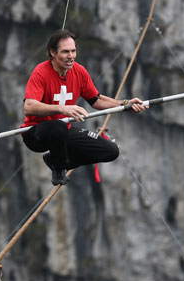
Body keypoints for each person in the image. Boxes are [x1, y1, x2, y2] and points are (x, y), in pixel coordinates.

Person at [21, 29, 148, 186]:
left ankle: (56, 161)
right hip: (36, 134)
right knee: (58, 126)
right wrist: (62, 108)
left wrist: (125, 104)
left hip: (62, 133)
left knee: (111, 151)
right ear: (52, 52)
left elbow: (97, 100)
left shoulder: (79, 71)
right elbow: (29, 106)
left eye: (73, 51)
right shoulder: (41, 72)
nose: (71, 56)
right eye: (65, 52)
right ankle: (59, 167)